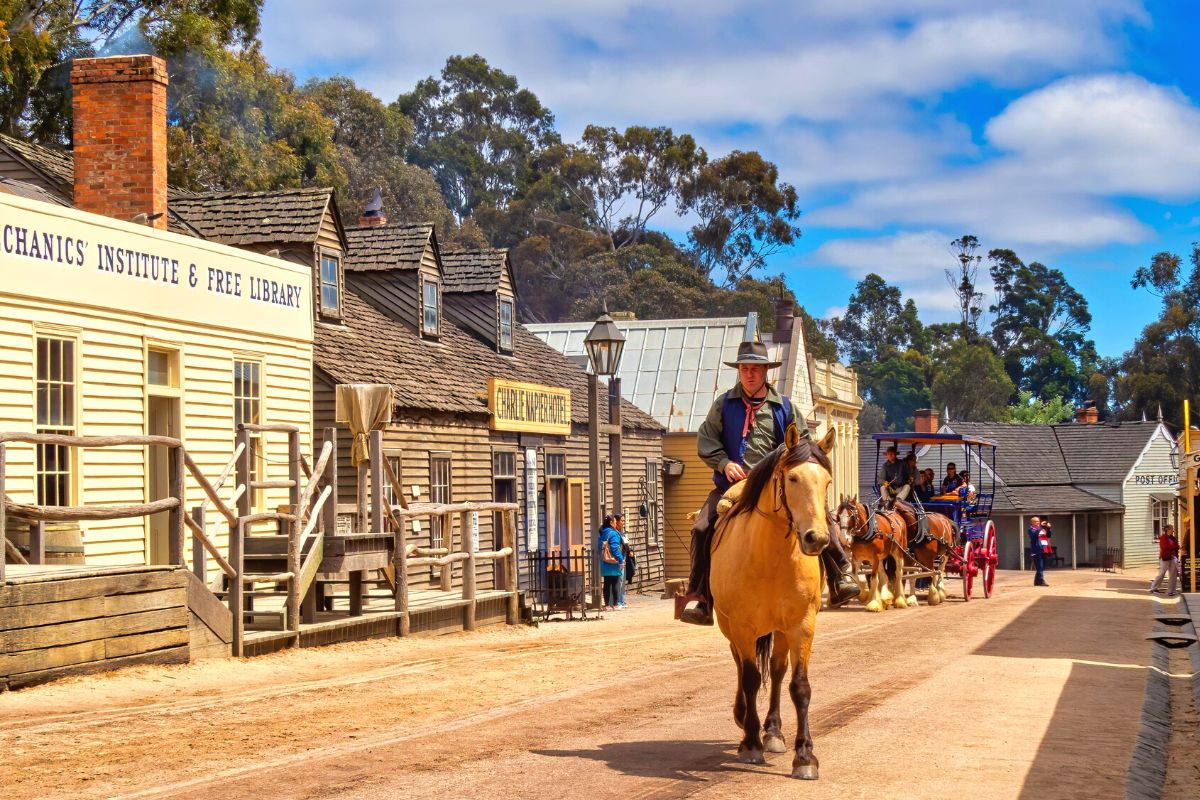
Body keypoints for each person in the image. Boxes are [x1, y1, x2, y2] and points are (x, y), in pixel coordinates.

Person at [679, 340, 860, 626]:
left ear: (766, 372)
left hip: (777, 485)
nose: (749, 374)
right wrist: (724, 463)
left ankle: (840, 575)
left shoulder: (783, 407)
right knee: (702, 527)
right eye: (744, 368)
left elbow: (803, 445)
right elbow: (706, 440)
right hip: (731, 485)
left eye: (755, 369)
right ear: (739, 371)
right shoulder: (723, 404)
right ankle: (700, 598)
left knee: (819, 515)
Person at [598, 513, 625, 611]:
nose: (615, 523)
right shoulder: (613, 533)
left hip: (604, 562)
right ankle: (616, 604)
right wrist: (621, 560)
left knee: (606, 583)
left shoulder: (602, 533)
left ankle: (607, 605)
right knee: (615, 583)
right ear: (611, 523)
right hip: (613, 563)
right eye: (614, 521)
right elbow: (615, 548)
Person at [1150, 524, 1180, 596]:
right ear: (1167, 530)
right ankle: (1154, 588)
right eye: (1171, 529)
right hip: (1165, 558)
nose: (1173, 530)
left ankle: (1171, 590)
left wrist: (1175, 547)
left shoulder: (1173, 538)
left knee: (1173, 574)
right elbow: (1164, 547)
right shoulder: (1163, 538)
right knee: (1162, 573)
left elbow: (1177, 546)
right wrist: (1173, 547)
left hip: (1173, 557)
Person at [1028, 516, 1049, 587]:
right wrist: (1041, 527)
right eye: (1037, 522)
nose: (1038, 523)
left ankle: (1037, 581)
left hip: (1043, 549)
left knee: (1042, 567)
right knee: (1039, 566)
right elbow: (1035, 535)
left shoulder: (1040, 529)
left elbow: (1048, 535)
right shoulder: (1031, 529)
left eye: (1039, 521)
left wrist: (1048, 528)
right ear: (1032, 523)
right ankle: (1041, 581)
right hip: (1036, 550)